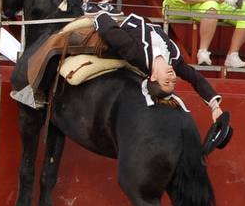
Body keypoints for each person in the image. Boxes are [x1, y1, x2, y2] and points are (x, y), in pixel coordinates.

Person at [91, 10, 224, 123]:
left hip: (124, 15)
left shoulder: (133, 53)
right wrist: (215, 107)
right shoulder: (176, 62)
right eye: (173, 81)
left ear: (153, 77)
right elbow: (196, 78)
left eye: (167, 81)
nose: (172, 77)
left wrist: (103, 15)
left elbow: (106, 25)